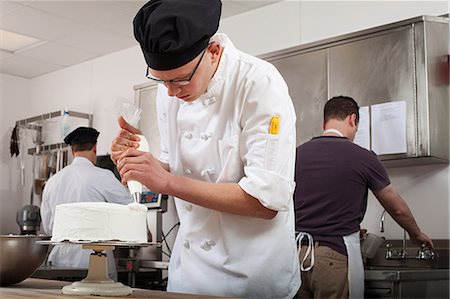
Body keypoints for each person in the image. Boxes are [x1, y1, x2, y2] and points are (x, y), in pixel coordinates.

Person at [110, 0, 300, 297]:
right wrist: (138, 159)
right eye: (161, 81)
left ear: (214, 52)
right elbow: (174, 168)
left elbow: (264, 202)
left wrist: (167, 182)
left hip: (250, 277)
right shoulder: (170, 93)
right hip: (189, 273)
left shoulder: (259, 83)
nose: (172, 92)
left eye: (181, 79)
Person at [294, 96, 434, 298]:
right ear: (352, 120)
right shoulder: (363, 157)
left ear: (324, 123)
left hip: (295, 256)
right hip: (334, 256)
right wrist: (416, 233)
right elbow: (397, 208)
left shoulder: (297, 155)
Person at [41, 127, 133, 281]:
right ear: (95, 148)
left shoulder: (52, 181)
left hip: (57, 262)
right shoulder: (103, 176)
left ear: (72, 151)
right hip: (93, 261)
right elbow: (130, 210)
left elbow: (48, 227)